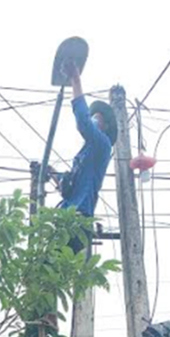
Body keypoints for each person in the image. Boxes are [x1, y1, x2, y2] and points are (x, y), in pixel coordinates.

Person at [54, 62, 118, 253]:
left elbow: (82, 121)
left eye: (96, 118)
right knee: (43, 269)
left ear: (104, 126)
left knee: (54, 265)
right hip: (65, 218)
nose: (92, 120)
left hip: (78, 219)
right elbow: (69, 187)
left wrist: (75, 79)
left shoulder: (102, 145)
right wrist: (53, 175)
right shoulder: (83, 157)